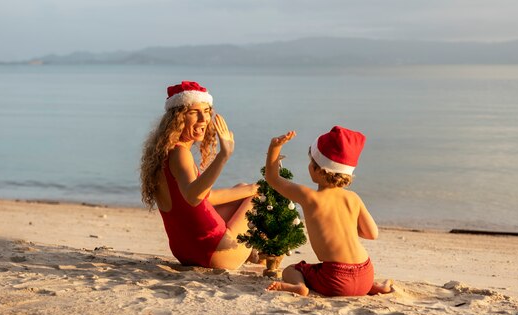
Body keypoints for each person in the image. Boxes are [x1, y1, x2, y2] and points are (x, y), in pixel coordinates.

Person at [140, 80, 257, 269]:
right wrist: (223, 155)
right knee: (262, 198)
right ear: (177, 118)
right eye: (194, 112)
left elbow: (203, 199)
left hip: (185, 252)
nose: (204, 119)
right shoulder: (180, 154)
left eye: (207, 111)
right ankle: (267, 255)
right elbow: (194, 197)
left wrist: (252, 188)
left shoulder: (166, 153)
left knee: (244, 189)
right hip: (213, 253)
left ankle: (251, 252)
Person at [264, 126, 393, 296]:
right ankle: (373, 287)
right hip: (366, 272)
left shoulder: (310, 198)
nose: (309, 166)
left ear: (320, 170)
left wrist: (274, 147)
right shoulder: (353, 198)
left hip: (335, 279)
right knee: (354, 279)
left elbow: (272, 178)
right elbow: (372, 234)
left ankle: (299, 287)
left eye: (312, 162)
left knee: (292, 269)